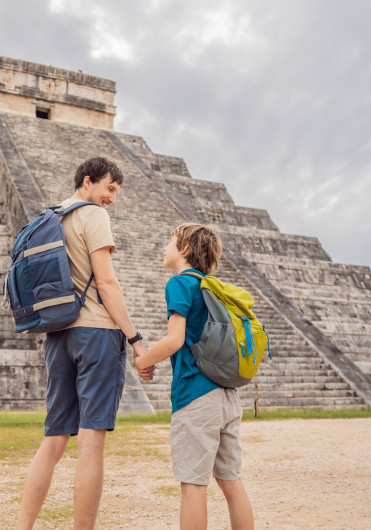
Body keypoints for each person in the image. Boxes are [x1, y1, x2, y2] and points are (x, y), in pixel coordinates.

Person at [17, 156, 150, 530]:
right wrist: (135, 339)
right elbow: (106, 284)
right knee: (91, 442)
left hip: (58, 336)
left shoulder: (52, 217)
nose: (111, 198)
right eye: (109, 188)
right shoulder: (93, 215)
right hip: (96, 335)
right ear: (88, 182)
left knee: (53, 440)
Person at [134, 223, 254, 530]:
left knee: (193, 486)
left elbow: (174, 340)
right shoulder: (212, 287)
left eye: (170, 241)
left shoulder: (180, 283)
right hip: (227, 396)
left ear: (184, 249)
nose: (165, 247)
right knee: (232, 483)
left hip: (196, 398)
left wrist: (141, 361)